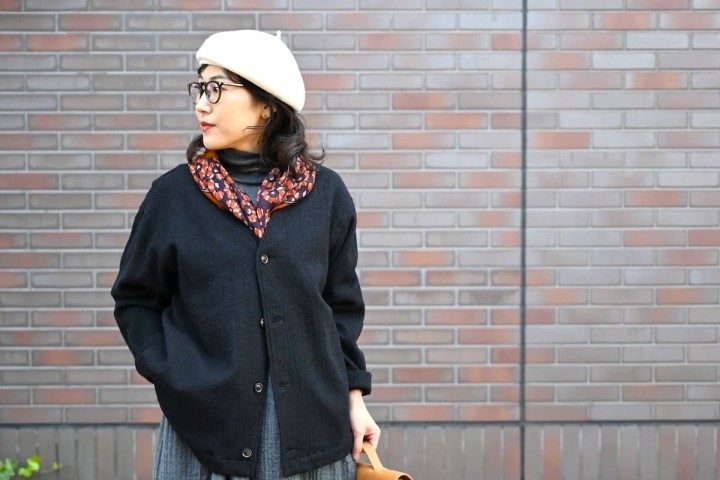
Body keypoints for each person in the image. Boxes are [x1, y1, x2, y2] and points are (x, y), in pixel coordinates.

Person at [111, 29, 380, 480]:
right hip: (205, 433)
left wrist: (355, 398)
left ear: (267, 104)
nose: (202, 105)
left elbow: (340, 308)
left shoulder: (327, 195)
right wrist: (173, 371)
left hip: (314, 431)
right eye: (199, 89)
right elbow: (136, 299)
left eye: (216, 89)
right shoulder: (173, 197)